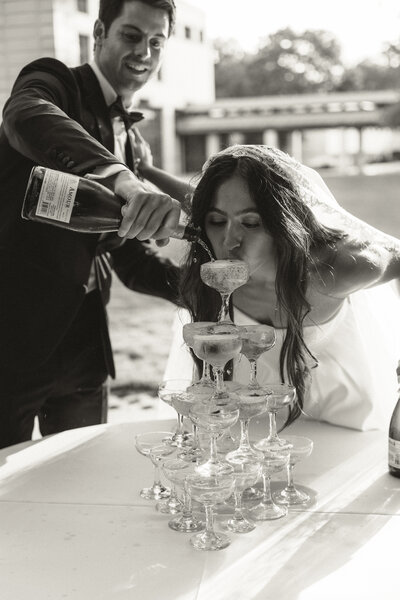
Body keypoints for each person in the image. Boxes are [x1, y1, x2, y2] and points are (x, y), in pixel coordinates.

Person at [0, 0, 192, 448]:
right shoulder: (55, 83)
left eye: (156, 41)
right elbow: (25, 114)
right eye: (131, 35)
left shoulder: (131, 137)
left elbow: (120, 248)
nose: (144, 51)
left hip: (85, 353)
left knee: (82, 487)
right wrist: (120, 177)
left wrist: (197, 287)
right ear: (101, 32)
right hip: (11, 345)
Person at [165, 144, 400, 431]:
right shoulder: (211, 281)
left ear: (283, 221)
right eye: (216, 221)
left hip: (347, 440)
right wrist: (144, 171)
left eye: (250, 223)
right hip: (250, 446)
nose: (230, 240)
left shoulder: (335, 271)